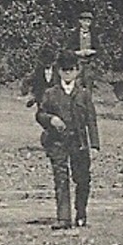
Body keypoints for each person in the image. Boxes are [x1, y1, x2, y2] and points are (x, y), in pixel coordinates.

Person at [36, 50, 100, 229]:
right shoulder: (50, 93)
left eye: (71, 69)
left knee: (82, 178)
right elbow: (40, 114)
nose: (68, 73)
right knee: (61, 178)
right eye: (64, 70)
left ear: (77, 71)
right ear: (59, 71)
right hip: (57, 142)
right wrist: (51, 119)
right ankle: (63, 217)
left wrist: (94, 145)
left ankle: (81, 212)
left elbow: (91, 120)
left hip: (79, 142)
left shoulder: (84, 94)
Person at [27, 43, 59, 108]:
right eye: (45, 63)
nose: (47, 65)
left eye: (49, 63)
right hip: (41, 100)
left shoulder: (58, 71)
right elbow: (35, 85)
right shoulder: (38, 71)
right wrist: (33, 98)